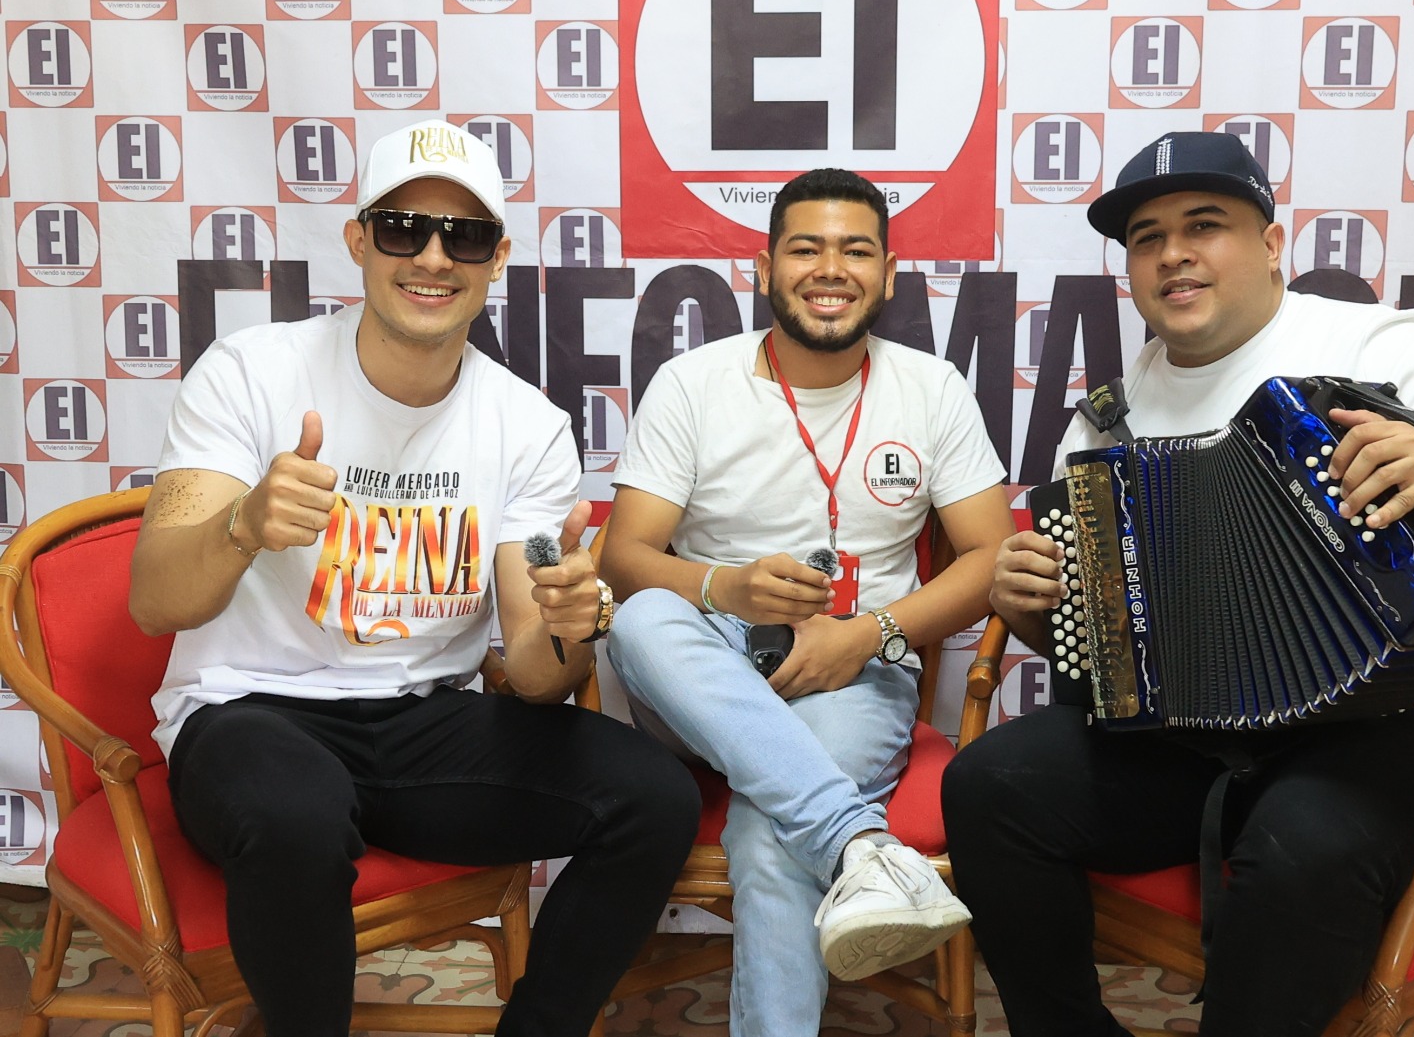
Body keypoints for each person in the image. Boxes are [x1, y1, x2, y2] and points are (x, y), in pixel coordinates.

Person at [941, 130, 1414, 1037]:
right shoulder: (1110, 416)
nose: (1173, 251)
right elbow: (1104, 649)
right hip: (1208, 726)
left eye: (1204, 223)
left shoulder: (1384, 346)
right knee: (991, 783)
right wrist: (1031, 606)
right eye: (1146, 236)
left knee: (1302, 837)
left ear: (1273, 243)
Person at [128, 119, 701, 1037]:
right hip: (250, 712)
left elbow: (539, 676)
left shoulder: (528, 425)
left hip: (421, 718)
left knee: (653, 797)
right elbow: (154, 599)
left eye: (464, 234)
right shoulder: (249, 373)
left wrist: (566, 625)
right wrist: (241, 525)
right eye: (404, 227)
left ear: (496, 258)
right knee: (296, 813)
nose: (433, 256)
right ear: (358, 239)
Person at [598, 168, 1013, 1037]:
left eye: (856, 249)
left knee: (768, 835)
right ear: (763, 266)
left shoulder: (930, 387)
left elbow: (989, 556)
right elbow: (626, 556)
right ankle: (863, 846)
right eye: (806, 248)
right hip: (710, 670)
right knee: (641, 620)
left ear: (890, 273)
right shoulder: (693, 382)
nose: (832, 269)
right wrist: (729, 587)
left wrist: (869, 635)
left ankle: (830, 847)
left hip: (860, 676)